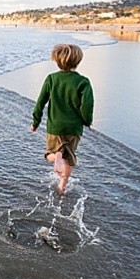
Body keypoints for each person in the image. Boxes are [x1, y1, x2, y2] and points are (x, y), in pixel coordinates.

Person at [30, 43, 94, 194]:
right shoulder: (83, 82)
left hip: (55, 127)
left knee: (49, 154)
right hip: (73, 128)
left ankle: (55, 157)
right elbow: (87, 105)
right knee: (69, 158)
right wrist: (87, 121)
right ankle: (62, 186)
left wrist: (35, 122)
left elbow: (40, 102)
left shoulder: (52, 79)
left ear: (57, 61)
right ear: (78, 61)